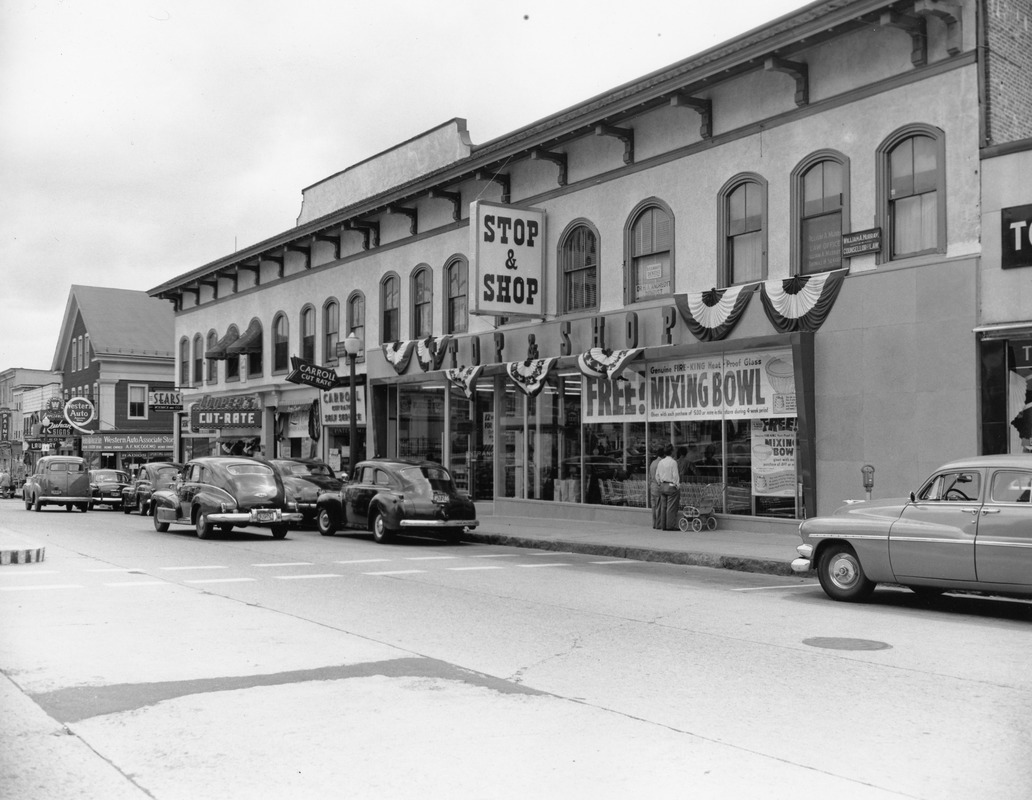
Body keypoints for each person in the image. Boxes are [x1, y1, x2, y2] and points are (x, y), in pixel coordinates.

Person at [655, 444, 681, 530]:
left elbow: (657, 475)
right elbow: (675, 476)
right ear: (672, 452)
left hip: (662, 485)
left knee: (663, 506)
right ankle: (670, 525)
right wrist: (677, 485)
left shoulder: (660, 462)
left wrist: (659, 483)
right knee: (671, 507)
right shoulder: (673, 462)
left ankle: (663, 525)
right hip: (671, 485)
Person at [648, 450, 663, 529]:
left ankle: (654, 523)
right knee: (658, 506)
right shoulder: (661, 463)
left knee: (653, 506)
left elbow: (649, 476)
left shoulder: (653, 463)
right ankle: (658, 524)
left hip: (652, 486)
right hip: (658, 486)